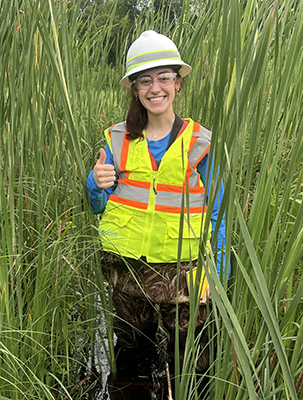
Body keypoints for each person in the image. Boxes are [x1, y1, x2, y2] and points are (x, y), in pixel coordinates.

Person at [87, 30, 227, 375]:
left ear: (178, 83)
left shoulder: (201, 143)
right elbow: (97, 205)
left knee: (192, 363)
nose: (156, 88)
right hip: (125, 271)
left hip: (182, 274)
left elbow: (218, 215)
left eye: (165, 77)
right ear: (135, 88)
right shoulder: (117, 139)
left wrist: (214, 274)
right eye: (145, 80)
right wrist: (94, 184)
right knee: (133, 355)